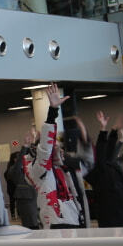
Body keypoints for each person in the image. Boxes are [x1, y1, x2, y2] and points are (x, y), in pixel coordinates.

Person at [27, 85, 85, 229]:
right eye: (55, 145)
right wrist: (52, 112)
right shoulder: (40, 169)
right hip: (55, 222)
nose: (58, 147)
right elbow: (46, 149)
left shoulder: (62, 169)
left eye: (59, 145)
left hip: (73, 220)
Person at [88, 111, 123, 228]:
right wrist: (103, 130)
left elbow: (109, 151)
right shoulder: (97, 171)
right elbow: (101, 152)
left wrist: (114, 130)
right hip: (109, 216)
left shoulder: (112, 166)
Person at [6, 145, 41, 229]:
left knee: (38, 223)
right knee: (31, 224)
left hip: (35, 197)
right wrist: (24, 148)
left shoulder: (30, 167)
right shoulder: (14, 170)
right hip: (26, 199)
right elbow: (18, 163)